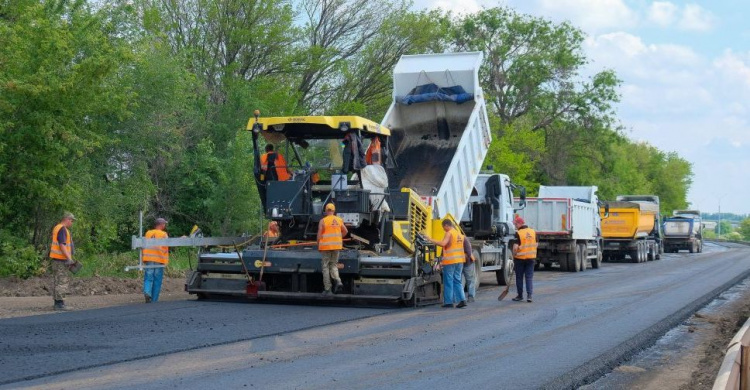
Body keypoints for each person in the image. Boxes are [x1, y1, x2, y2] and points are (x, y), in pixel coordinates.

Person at [428, 219, 467, 308]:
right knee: (457, 280)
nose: (443, 229)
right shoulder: (459, 234)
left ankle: (448, 302)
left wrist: (430, 239)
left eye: (443, 227)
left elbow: (443, 243)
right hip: (459, 261)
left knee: (448, 281)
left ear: (446, 225)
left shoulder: (449, 233)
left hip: (450, 261)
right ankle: (462, 300)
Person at [317, 203, 347, 296]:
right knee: (333, 265)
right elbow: (345, 231)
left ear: (326, 211)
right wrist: (338, 238)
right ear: (334, 211)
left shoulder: (323, 221)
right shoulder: (339, 220)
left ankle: (327, 289)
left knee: (325, 267)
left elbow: (319, 235)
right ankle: (338, 281)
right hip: (336, 247)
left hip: (326, 247)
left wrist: (319, 245)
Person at [49, 212, 76, 310]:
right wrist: (69, 258)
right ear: (67, 219)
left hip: (56, 260)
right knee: (62, 282)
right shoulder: (62, 229)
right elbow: (62, 245)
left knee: (58, 282)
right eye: (71, 221)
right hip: (61, 261)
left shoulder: (57, 227)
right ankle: (60, 305)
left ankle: (58, 303)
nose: (71, 223)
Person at [142, 218, 169, 303]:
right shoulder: (164, 234)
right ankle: (154, 300)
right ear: (161, 225)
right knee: (157, 280)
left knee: (148, 277)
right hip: (159, 259)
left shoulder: (148, 233)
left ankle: (147, 291)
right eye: (164, 224)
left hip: (149, 258)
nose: (165, 225)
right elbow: (167, 245)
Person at [512, 216, 538, 303]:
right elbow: (536, 244)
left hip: (520, 259)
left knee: (519, 277)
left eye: (516, 224)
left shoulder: (518, 233)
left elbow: (515, 247)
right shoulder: (533, 231)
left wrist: (514, 254)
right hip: (531, 259)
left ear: (520, 224)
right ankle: (529, 296)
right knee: (529, 277)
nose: (515, 225)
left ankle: (520, 295)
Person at [462, 236, 478, 302]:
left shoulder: (464, 239)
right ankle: (461, 298)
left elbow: (468, 252)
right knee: (460, 280)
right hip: (458, 263)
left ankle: (471, 296)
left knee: (470, 279)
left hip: (467, 262)